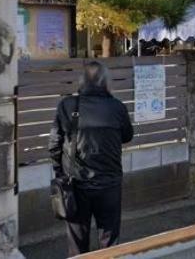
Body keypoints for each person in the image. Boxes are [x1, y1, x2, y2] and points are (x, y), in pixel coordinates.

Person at [49, 61, 134, 255]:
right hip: (110, 184)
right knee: (110, 240)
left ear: (82, 81)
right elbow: (127, 136)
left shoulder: (67, 105)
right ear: (106, 82)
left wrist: (59, 173)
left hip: (76, 185)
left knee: (77, 243)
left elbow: (53, 145)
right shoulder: (117, 107)